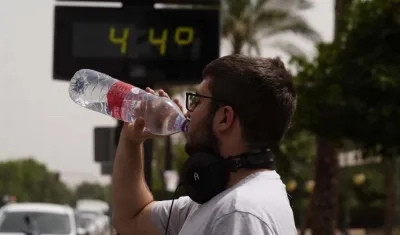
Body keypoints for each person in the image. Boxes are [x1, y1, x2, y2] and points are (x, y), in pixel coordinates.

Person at [112, 54, 297, 235]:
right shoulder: (226, 200)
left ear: (224, 118)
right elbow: (131, 219)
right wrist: (132, 140)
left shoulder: (237, 213)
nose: (188, 113)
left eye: (197, 101)